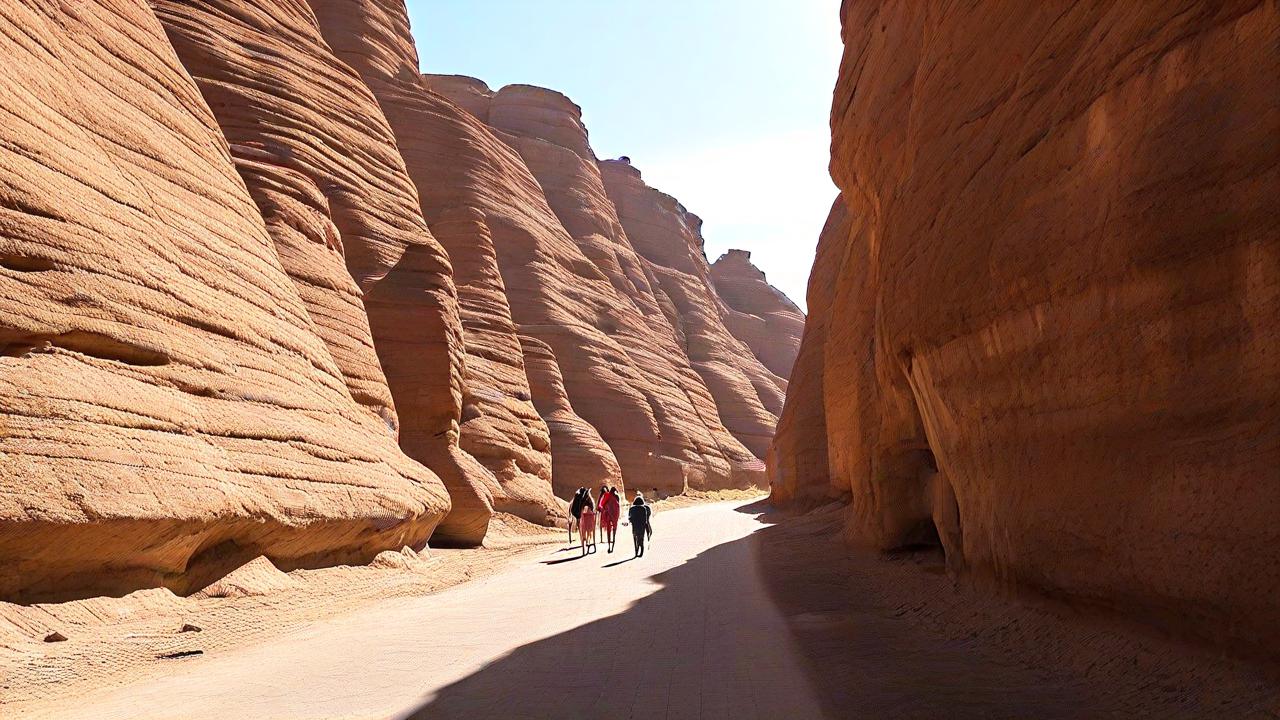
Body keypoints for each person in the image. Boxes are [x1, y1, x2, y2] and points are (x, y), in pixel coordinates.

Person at [628, 493, 653, 558]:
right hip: (642, 526)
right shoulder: (643, 509)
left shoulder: (631, 509)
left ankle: (636, 551)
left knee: (635, 538)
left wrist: (631, 521)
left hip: (634, 526)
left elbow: (630, 518)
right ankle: (641, 551)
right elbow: (645, 519)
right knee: (641, 538)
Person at [598, 486, 621, 553]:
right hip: (615, 516)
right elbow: (618, 506)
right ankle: (612, 546)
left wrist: (604, 510)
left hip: (608, 515)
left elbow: (602, 504)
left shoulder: (607, 495)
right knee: (614, 531)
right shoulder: (616, 496)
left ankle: (609, 546)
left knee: (609, 531)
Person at [579, 489, 598, 555]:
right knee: (589, 530)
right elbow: (593, 510)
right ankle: (587, 540)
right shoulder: (591, 500)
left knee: (586, 530)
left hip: (586, 518)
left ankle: (586, 540)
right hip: (588, 518)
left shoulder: (584, 501)